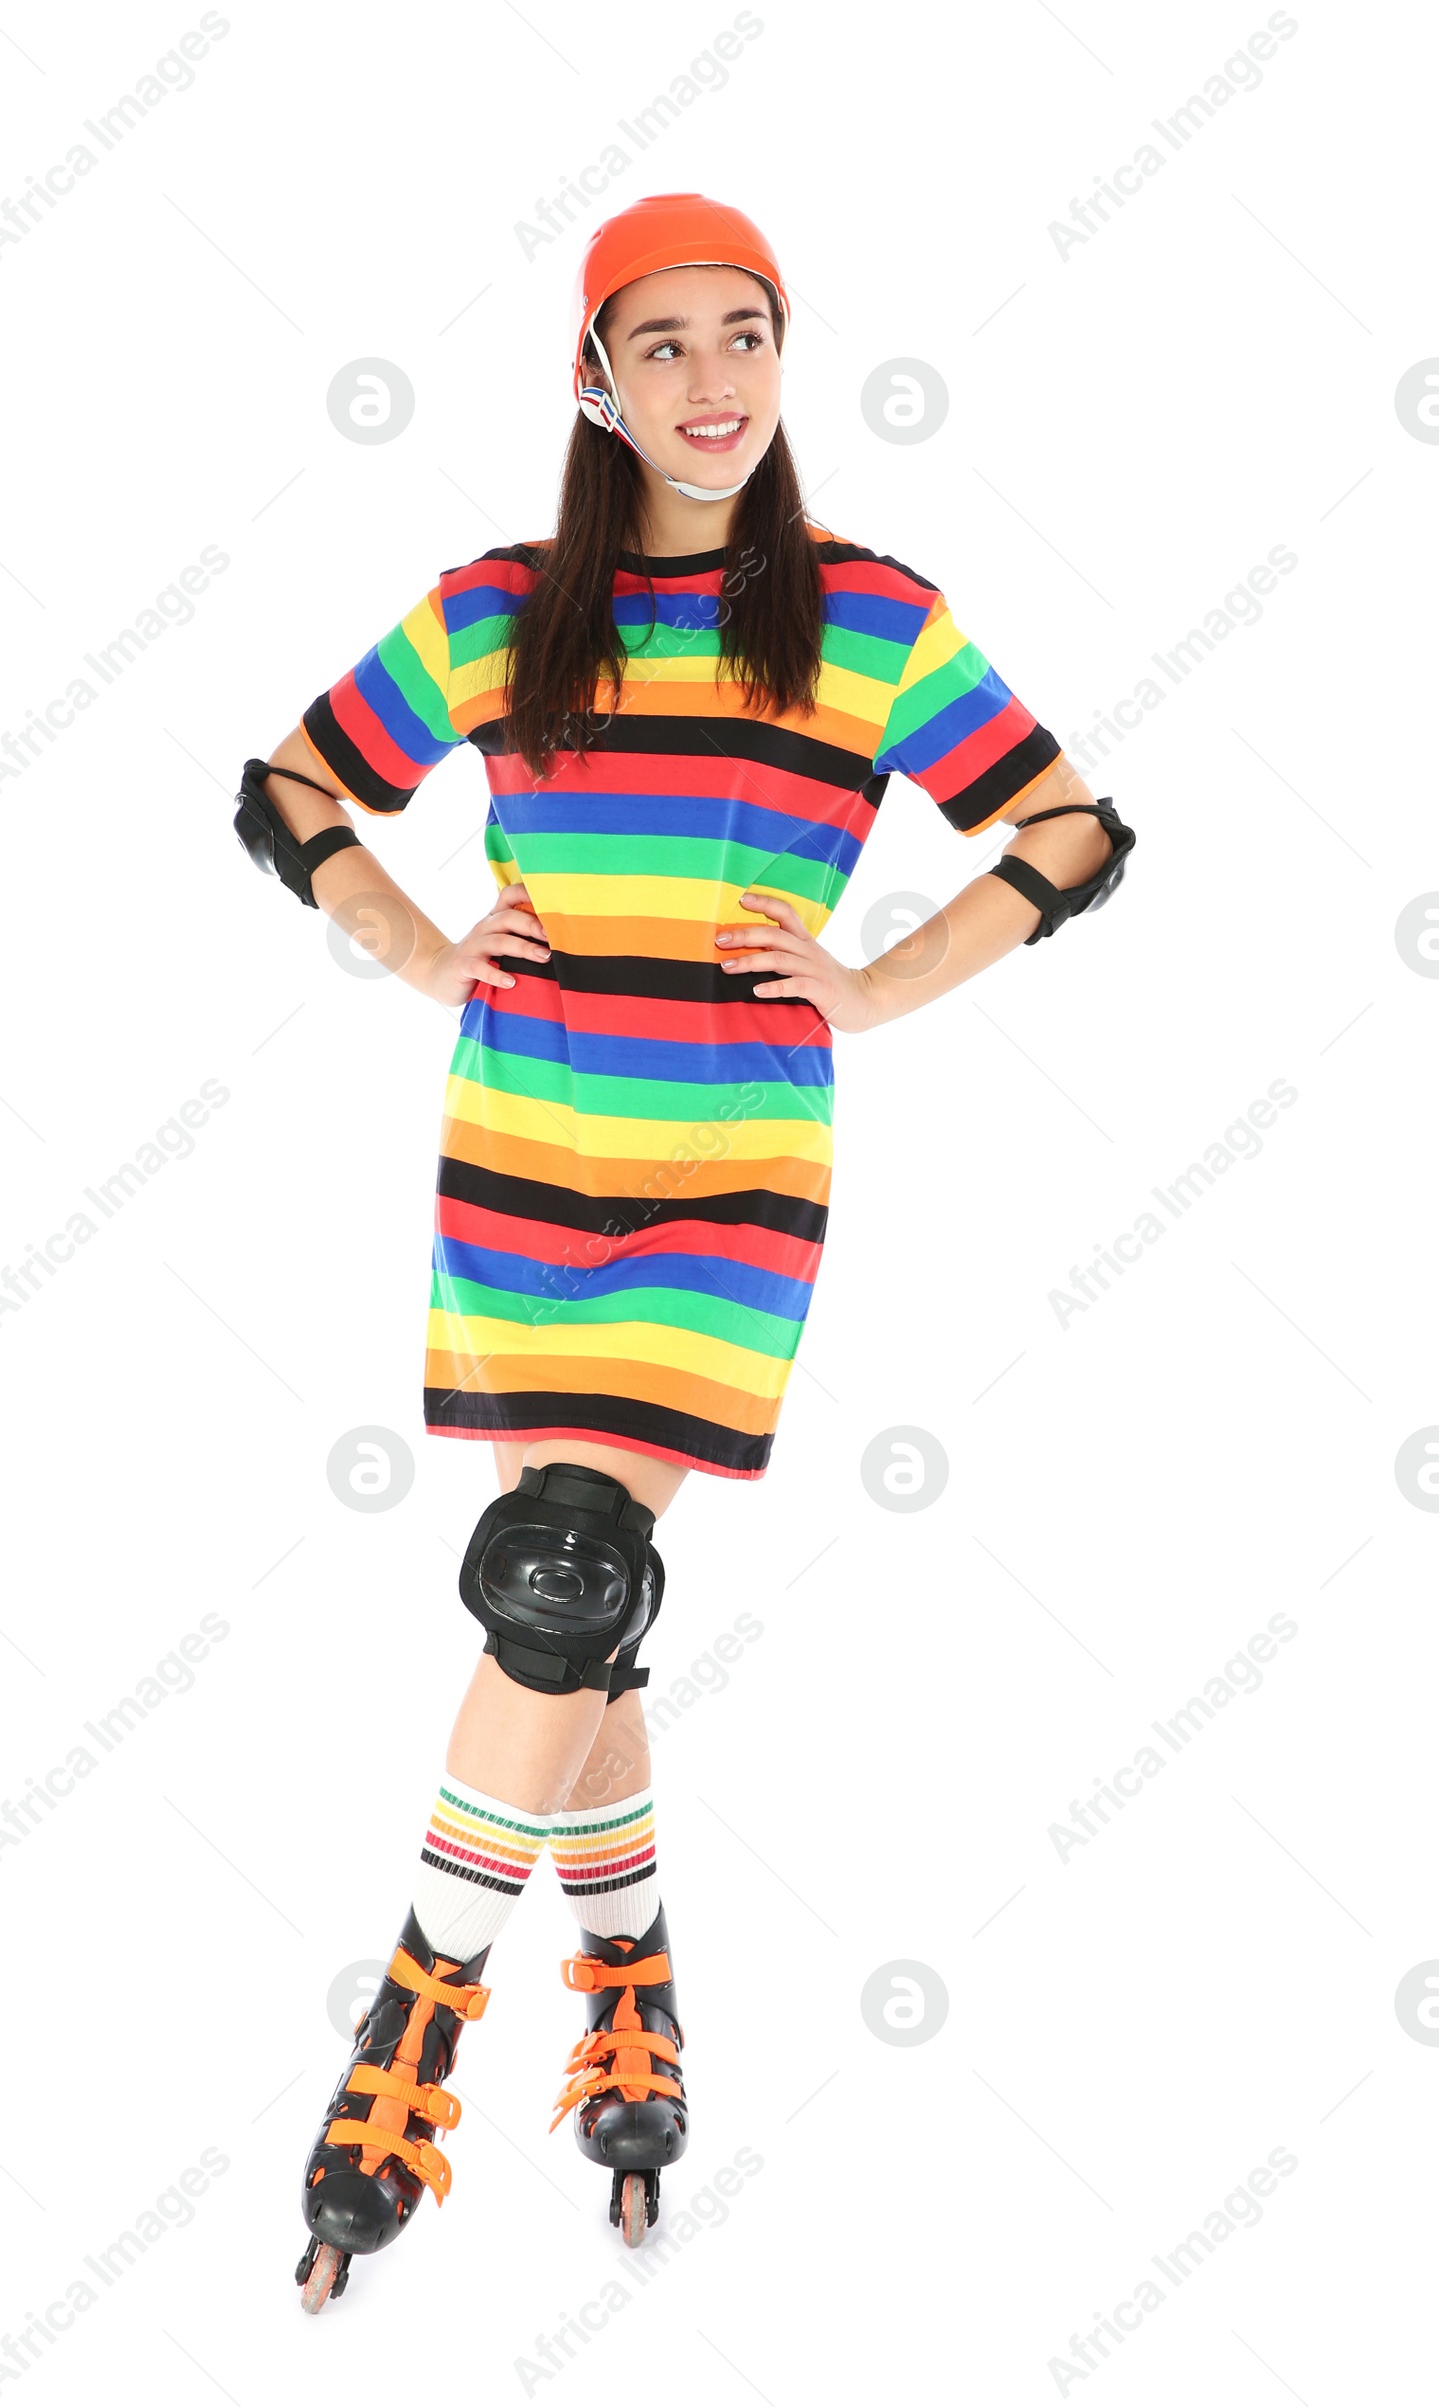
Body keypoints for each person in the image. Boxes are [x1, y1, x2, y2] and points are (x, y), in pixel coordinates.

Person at [234, 191, 1134, 2310]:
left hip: (726, 1178)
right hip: (516, 1163)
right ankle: (628, 1969)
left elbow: (1075, 828)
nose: (715, 381)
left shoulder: (862, 619)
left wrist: (874, 983)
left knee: (557, 1569)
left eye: (747, 336)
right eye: (665, 345)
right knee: (577, 1610)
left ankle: (412, 2021)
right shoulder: (495, 611)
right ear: (593, 376)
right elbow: (289, 793)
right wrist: (423, 943)